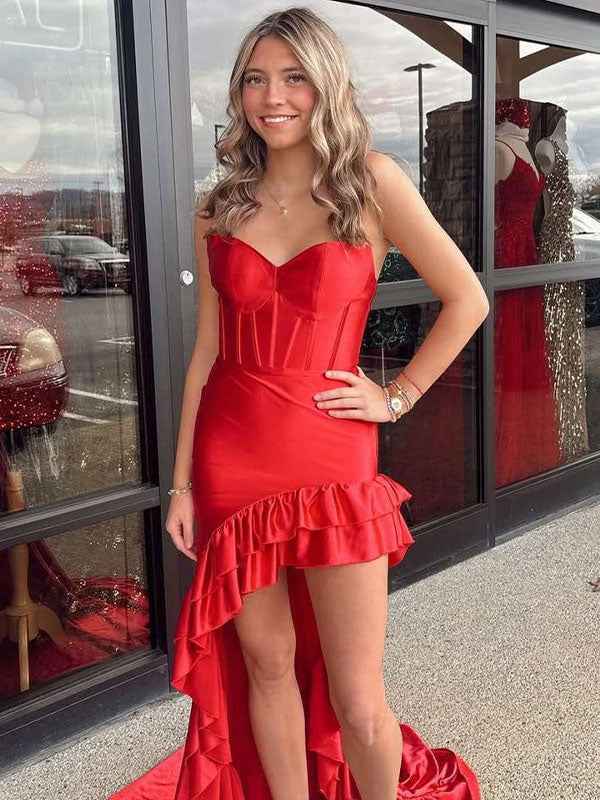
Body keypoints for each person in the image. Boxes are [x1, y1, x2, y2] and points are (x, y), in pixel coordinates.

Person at [165, 7, 488, 800]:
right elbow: (206, 351)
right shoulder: (218, 206)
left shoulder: (371, 183)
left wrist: (398, 396)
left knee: (357, 695)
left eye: (293, 77)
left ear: (326, 86)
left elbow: (467, 298)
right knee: (267, 663)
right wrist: (181, 484)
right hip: (231, 456)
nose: (272, 97)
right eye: (255, 79)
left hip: (332, 456)